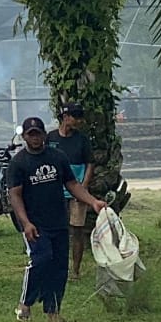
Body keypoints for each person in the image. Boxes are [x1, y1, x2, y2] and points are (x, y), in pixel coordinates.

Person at [7, 117, 108, 322]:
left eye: (38, 133)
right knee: (41, 260)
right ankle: (25, 304)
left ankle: (53, 312)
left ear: (44, 135)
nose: (35, 138)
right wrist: (25, 222)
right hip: (35, 224)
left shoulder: (57, 157)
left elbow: (72, 184)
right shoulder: (19, 163)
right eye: (30, 134)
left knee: (60, 267)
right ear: (25, 137)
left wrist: (93, 202)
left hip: (58, 221)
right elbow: (15, 195)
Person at [46, 104, 96, 280]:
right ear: (65, 117)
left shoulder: (82, 140)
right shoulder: (50, 137)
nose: (78, 121)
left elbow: (90, 163)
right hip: (55, 192)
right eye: (75, 117)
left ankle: (75, 269)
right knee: (56, 229)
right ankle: (56, 266)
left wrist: (83, 185)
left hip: (77, 191)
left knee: (77, 230)